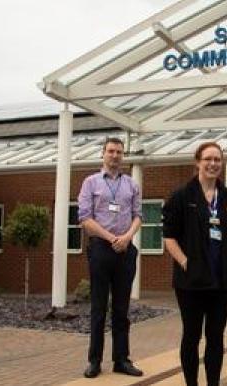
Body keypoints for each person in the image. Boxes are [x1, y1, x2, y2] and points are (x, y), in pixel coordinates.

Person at [162, 142, 227, 386]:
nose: (213, 164)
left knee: (216, 337)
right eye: (208, 159)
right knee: (192, 336)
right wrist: (186, 262)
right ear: (197, 162)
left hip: (222, 281)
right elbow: (169, 237)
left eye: (217, 159)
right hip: (191, 282)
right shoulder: (180, 197)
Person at [77, 137, 144, 379]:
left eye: (119, 152)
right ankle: (94, 361)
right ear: (103, 154)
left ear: (123, 156)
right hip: (101, 249)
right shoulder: (90, 182)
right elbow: (85, 219)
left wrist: (126, 237)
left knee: (122, 309)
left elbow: (138, 215)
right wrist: (111, 238)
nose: (115, 156)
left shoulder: (131, 184)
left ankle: (121, 360)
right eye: (111, 151)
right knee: (98, 307)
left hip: (125, 250)